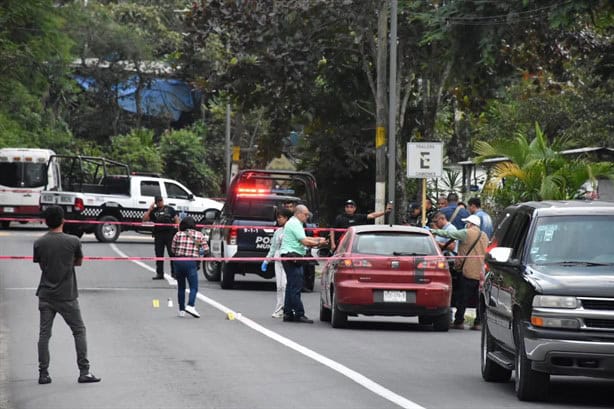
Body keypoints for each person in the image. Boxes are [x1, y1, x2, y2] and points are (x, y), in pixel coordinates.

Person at [33, 205, 101, 385]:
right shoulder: (73, 242)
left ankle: (43, 373)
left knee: (44, 334)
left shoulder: (39, 243)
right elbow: (78, 262)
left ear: (46, 222)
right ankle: (84, 371)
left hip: (46, 294)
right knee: (79, 331)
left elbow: (42, 266)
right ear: (63, 220)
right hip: (67, 295)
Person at [430, 214, 488, 330]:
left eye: (467, 223)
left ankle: (459, 321)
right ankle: (478, 322)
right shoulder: (484, 236)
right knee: (478, 299)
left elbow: (449, 234)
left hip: (467, 269)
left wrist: (433, 231)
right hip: (480, 271)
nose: (466, 225)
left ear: (471, 224)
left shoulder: (466, 233)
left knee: (463, 297)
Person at [279, 204, 327, 323]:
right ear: (299, 213)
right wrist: (319, 243)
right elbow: (305, 241)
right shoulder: (295, 224)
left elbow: (303, 239)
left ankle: (288, 313)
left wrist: (317, 240)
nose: (307, 217)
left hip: (290, 256)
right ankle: (299, 313)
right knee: (296, 286)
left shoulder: (295, 223)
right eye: (305, 215)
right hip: (292, 256)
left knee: (291, 286)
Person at [171, 216, 207, 318]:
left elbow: (172, 250)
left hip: (178, 262)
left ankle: (181, 310)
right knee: (193, 287)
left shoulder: (178, 234)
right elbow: (206, 249)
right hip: (191, 263)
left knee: (181, 287)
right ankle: (191, 305)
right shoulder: (199, 235)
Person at [261, 207, 293, 318]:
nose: (278, 220)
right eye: (277, 217)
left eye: (280, 217)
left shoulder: (292, 230)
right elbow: (273, 248)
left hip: (287, 259)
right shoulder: (278, 232)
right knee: (279, 286)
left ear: (286, 218)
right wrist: (266, 260)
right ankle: (279, 308)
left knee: (285, 285)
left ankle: (288, 308)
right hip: (277, 259)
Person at [143, 195, 179, 280]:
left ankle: (174, 273)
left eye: (161, 201)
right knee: (159, 254)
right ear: (155, 202)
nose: (160, 202)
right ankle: (160, 273)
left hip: (169, 234)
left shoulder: (169, 209)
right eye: (158, 201)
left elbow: (176, 219)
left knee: (172, 254)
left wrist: (178, 230)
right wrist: (150, 209)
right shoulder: (154, 211)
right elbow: (144, 219)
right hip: (159, 235)